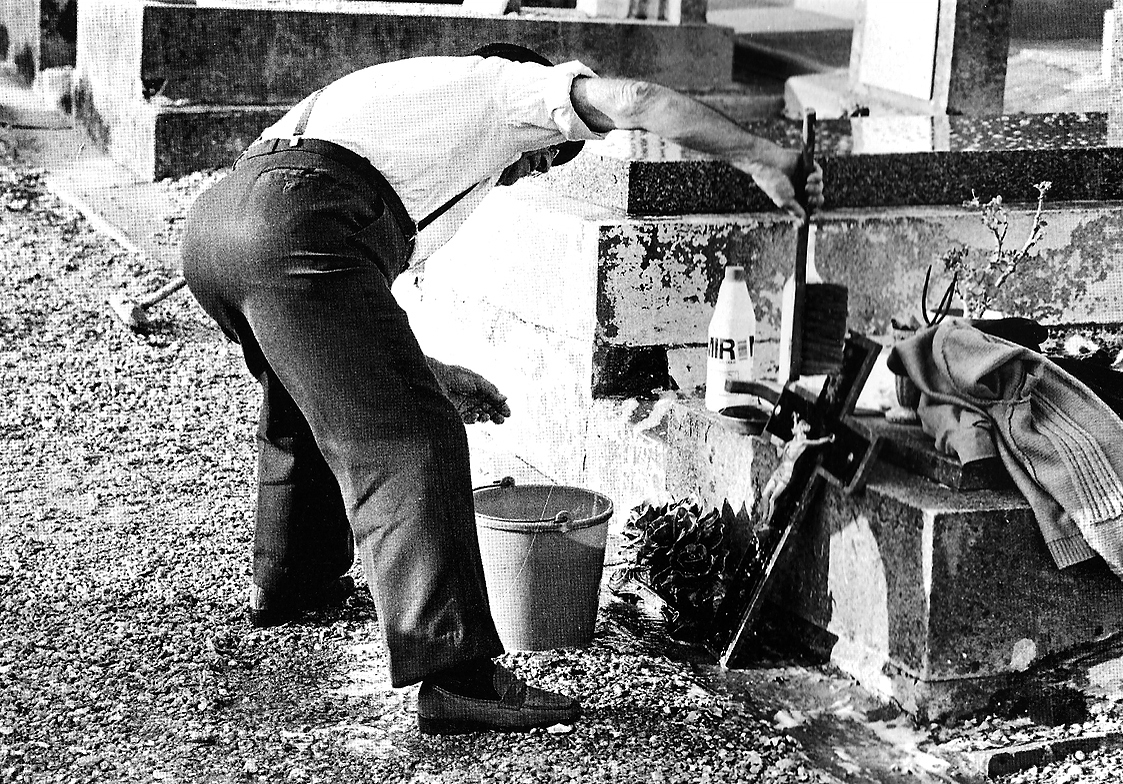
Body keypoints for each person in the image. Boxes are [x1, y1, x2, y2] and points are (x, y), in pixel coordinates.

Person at [181, 42, 825, 735]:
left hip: (217, 232)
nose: (534, 169)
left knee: (305, 393)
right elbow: (638, 101)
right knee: (416, 440)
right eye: (548, 154)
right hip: (292, 227)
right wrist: (765, 157)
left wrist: (433, 373)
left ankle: (291, 581)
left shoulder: (415, 112)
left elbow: (344, 320)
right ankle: (459, 678)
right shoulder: (504, 88)